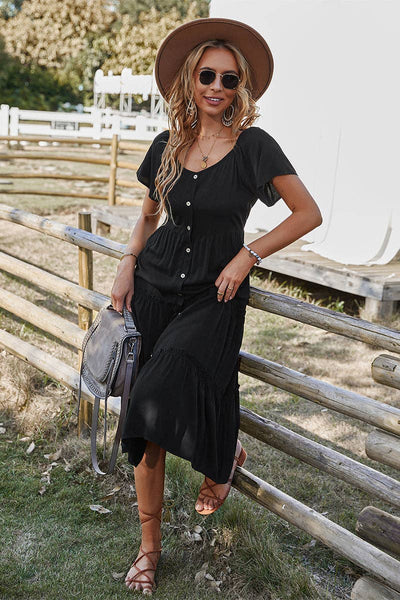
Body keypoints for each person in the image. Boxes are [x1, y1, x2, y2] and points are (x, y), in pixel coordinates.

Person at [110, 17, 322, 595]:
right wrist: (127, 262)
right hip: (154, 286)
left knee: (154, 394)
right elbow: (148, 216)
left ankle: (221, 450)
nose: (217, 87)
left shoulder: (254, 146)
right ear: (189, 79)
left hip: (215, 293)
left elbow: (308, 213)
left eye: (230, 79)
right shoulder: (167, 147)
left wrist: (248, 255)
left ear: (240, 88)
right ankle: (149, 549)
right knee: (142, 427)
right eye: (207, 75)